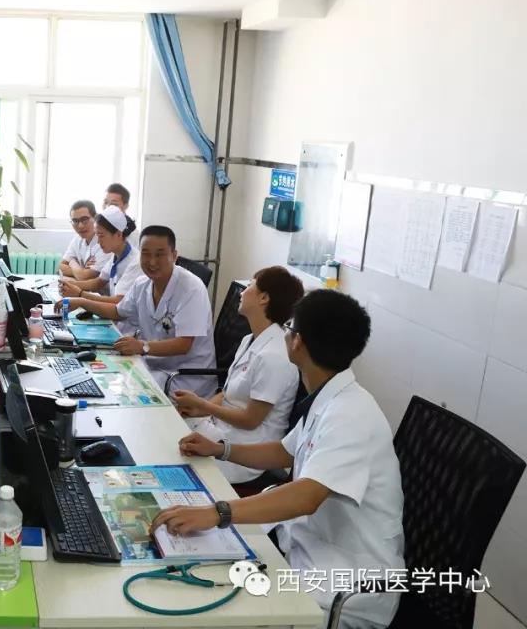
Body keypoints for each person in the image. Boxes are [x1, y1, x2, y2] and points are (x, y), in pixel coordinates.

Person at [151, 290, 404, 629]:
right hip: (305, 550)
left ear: (298, 342)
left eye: (289, 327)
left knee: (204, 609)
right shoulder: (330, 398)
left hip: (342, 586)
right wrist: (220, 449)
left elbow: (307, 496)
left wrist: (217, 513)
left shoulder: (350, 415)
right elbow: (283, 452)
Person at [172, 266, 304, 483]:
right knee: (166, 428)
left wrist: (204, 406)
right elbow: (227, 394)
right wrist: (198, 410)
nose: (242, 292)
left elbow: (250, 420)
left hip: (246, 452)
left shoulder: (274, 356)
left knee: (172, 453)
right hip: (222, 430)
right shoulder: (249, 340)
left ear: (263, 298)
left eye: (250, 285)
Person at [65, 225, 217, 396]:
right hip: (153, 365)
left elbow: (183, 344)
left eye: (159, 254)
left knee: (122, 393)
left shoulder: (191, 288)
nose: (152, 262)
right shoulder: (142, 284)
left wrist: (142, 346)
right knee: (103, 378)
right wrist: (82, 302)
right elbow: (117, 312)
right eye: (146, 254)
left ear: (174, 256)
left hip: (185, 377)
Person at [58, 205, 143, 319]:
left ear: (118, 234)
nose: (98, 241)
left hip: (127, 325)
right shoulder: (115, 256)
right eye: (97, 235)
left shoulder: (135, 262)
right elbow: (98, 282)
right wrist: (69, 286)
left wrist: (80, 295)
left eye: (101, 236)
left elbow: (119, 301)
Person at [58, 199, 108, 280]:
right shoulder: (77, 239)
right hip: (82, 286)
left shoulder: (105, 242)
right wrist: (80, 270)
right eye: (75, 221)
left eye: (84, 219)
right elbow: (59, 267)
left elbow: (84, 276)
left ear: (95, 218)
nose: (80, 226)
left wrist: (72, 262)